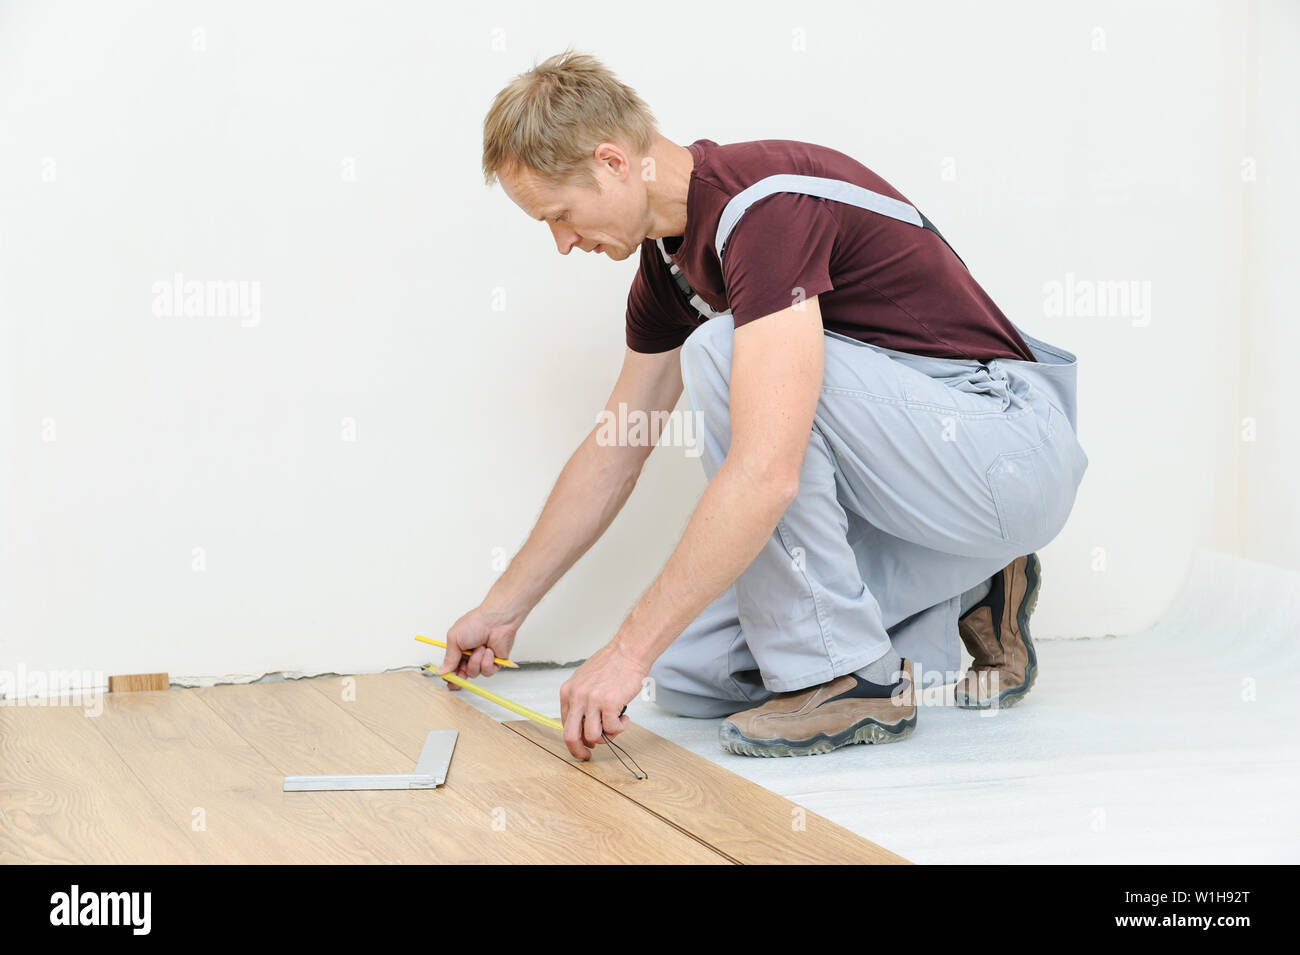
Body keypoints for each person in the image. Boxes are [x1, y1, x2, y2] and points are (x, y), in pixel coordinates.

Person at [438, 48, 1089, 761]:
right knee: (692, 672)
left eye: (559, 216)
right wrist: (503, 610)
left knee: (721, 353)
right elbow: (615, 449)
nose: (562, 243)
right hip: (926, 484)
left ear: (613, 162)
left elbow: (767, 470)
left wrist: (624, 653)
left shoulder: (765, 209)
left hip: (1009, 446)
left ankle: (851, 678)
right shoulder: (666, 269)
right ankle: (971, 580)